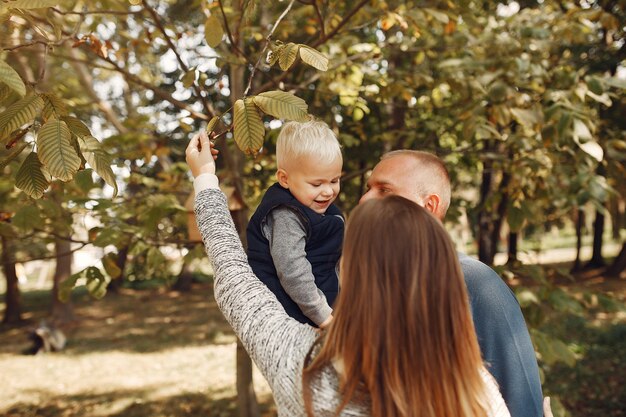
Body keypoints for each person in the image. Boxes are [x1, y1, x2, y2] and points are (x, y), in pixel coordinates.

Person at [186, 131, 511, 417]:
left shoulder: (303, 366)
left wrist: (204, 177)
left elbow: (231, 269)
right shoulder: (475, 390)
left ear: (353, 270)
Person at [360, 150, 544, 417]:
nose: (365, 199)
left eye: (384, 190)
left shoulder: (477, 285)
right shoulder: (362, 286)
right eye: (368, 189)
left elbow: (522, 405)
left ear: (429, 206)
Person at [246, 120, 343, 328]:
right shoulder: (285, 215)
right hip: (291, 311)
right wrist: (324, 317)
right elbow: (292, 271)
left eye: (334, 181)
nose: (328, 191)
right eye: (317, 184)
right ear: (285, 179)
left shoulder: (321, 209)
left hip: (321, 304)